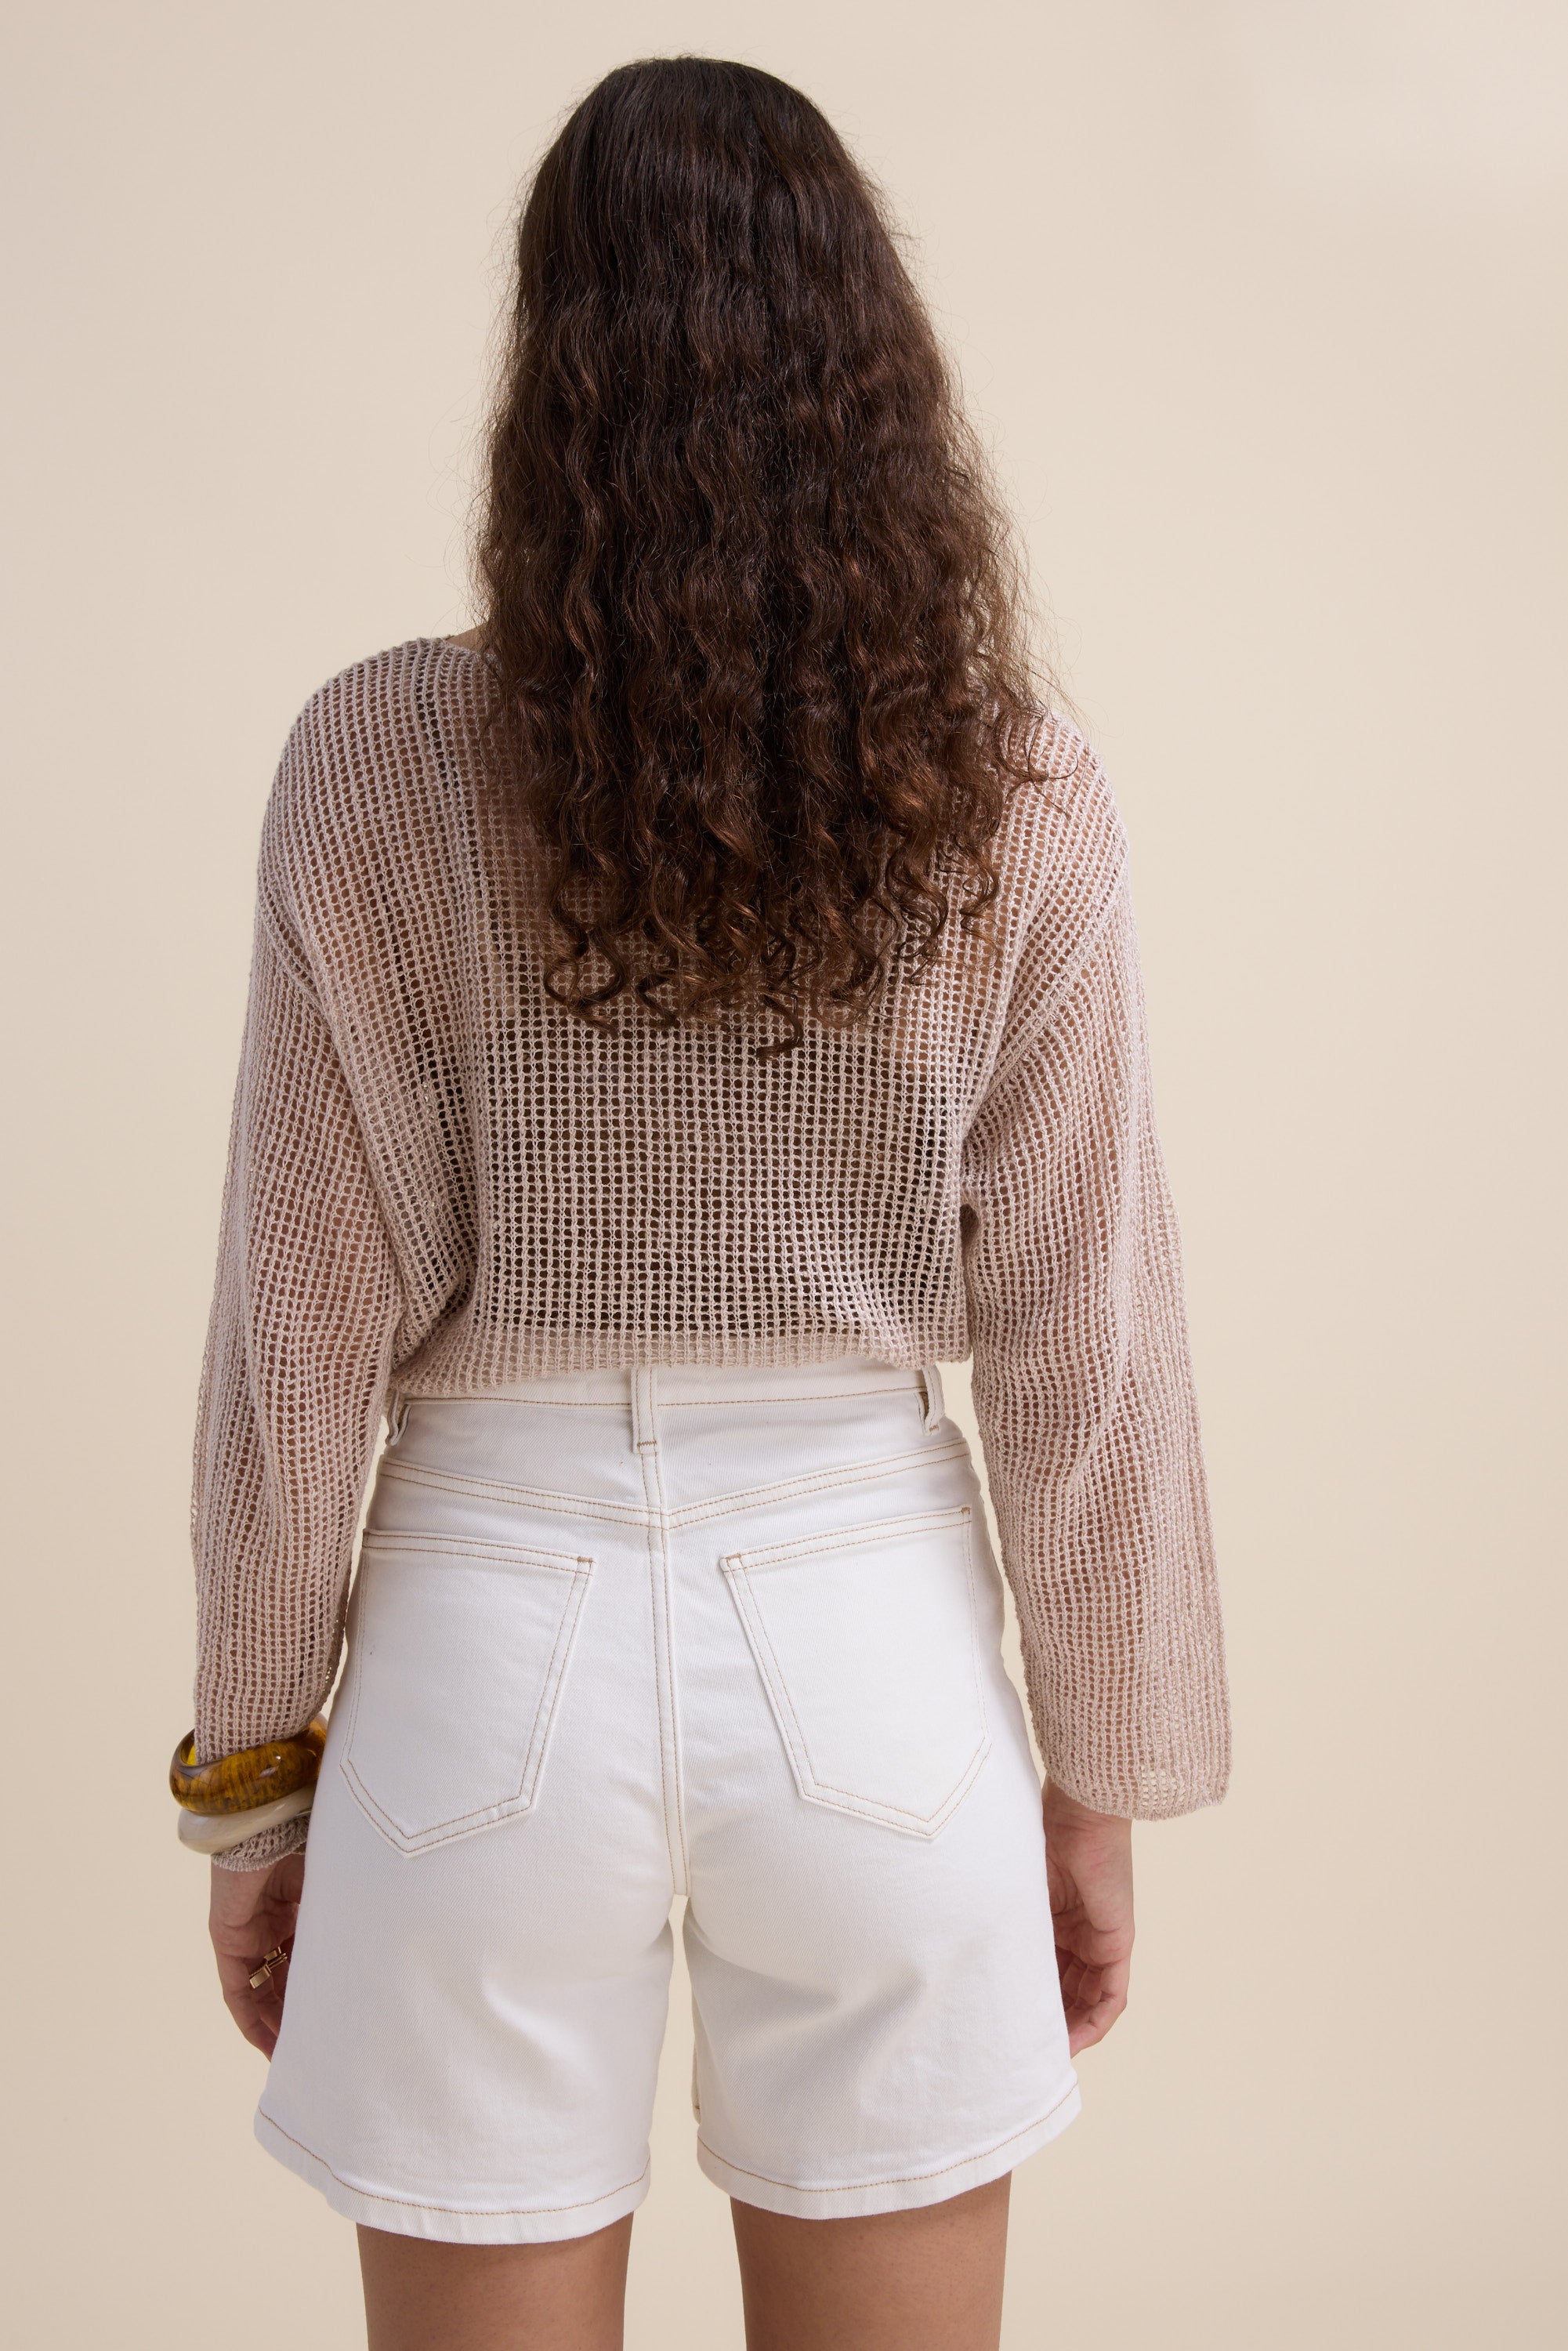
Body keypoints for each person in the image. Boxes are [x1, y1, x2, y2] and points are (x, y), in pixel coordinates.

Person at [173, 54, 1230, 2351]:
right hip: (875, 1659)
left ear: (548, 372)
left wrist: (254, 1786)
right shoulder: (1015, 790)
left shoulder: (374, 764)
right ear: (876, 365)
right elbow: (1085, 1342)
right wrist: (1100, 1782)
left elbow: (296, 1334)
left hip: (480, 1657)